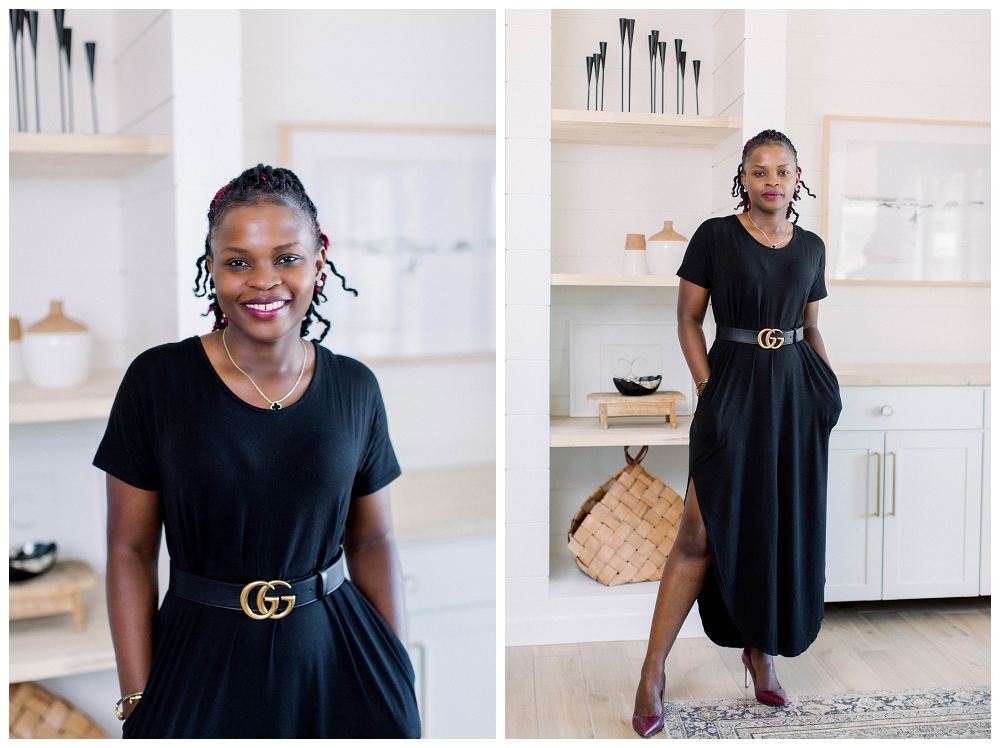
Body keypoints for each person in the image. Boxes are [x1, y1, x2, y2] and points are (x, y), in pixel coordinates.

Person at [95, 165, 421, 738]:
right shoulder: (157, 381)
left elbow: (373, 539)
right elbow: (129, 549)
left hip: (340, 660)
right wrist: (137, 696)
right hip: (196, 663)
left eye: (287, 258)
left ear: (319, 263)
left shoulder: (355, 387)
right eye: (238, 261)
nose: (264, 281)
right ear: (213, 270)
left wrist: (395, 669)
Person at [631, 131, 842, 737]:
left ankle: (762, 654)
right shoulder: (714, 237)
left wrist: (827, 389)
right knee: (698, 527)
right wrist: (707, 388)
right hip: (733, 392)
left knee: (773, 527)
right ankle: (652, 670)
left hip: (797, 397)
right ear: (743, 179)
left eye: (783, 170)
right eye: (759, 170)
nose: (771, 179)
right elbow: (688, 318)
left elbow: (811, 327)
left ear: (798, 178)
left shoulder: (812, 248)